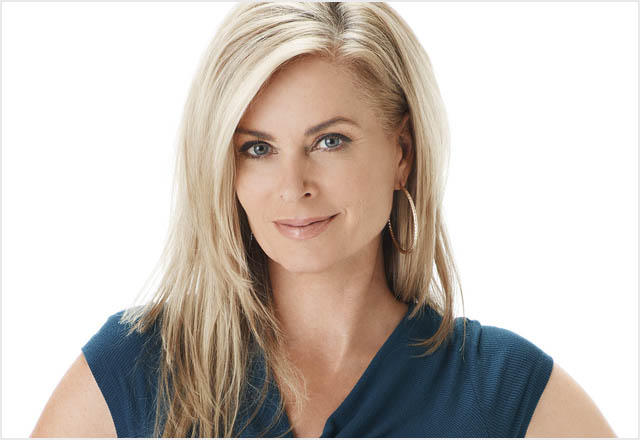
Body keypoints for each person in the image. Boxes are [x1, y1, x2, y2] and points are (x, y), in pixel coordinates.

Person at [31, 2, 616, 438]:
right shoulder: (135, 370)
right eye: (258, 148)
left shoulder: (503, 395)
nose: (294, 186)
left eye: (329, 141)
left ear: (402, 153)